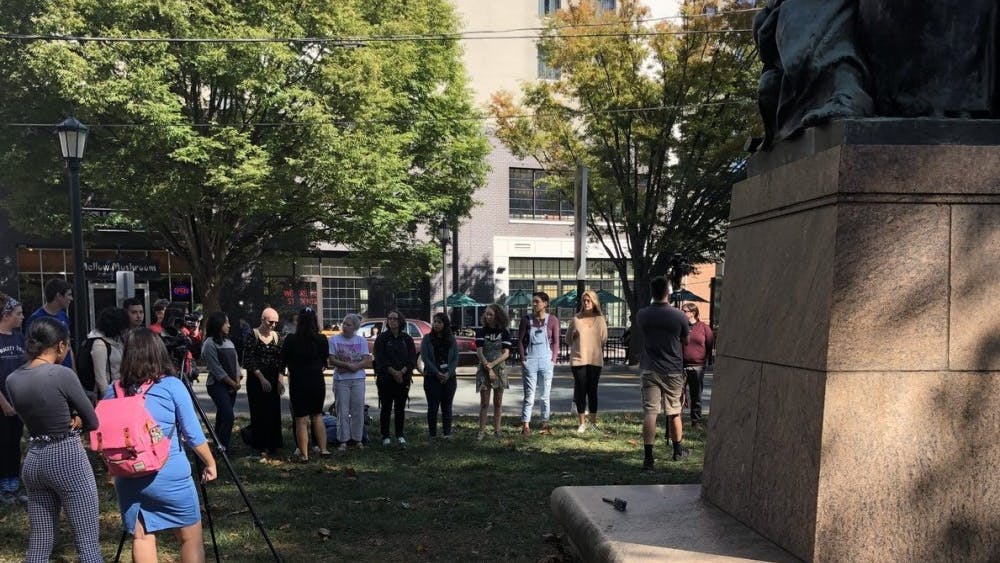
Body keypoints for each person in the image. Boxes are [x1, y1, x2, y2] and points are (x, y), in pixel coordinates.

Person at [108, 328, 217, 563]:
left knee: (142, 538)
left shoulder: (113, 390)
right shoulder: (172, 386)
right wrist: (210, 463)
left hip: (128, 476)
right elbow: (193, 434)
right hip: (170, 475)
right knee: (190, 538)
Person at [5, 317, 101, 562]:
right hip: (66, 455)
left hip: (34, 458)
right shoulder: (61, 374)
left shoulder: (13, 379)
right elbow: (92, 420)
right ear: (60, 346)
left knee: (39, 544)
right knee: (88, 545)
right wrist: (78, 419)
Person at [637, 276, 690, 471]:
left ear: (652, 292)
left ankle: (648, 458)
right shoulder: (679, 316)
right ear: (667, 292)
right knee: (674, 411)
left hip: (650, 367)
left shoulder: (643, 315)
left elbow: (644, 334)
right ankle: (677, 450)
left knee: (650, 413)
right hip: (673, 369)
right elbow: (685, 341)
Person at [281, 307, 330, 461]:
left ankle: (304, 455)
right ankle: (323, 449)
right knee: (317, 415)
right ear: (315, 321)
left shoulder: (290, 339)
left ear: (299, 322)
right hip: (316, 380)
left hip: (298, 381)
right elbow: (325, 362)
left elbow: (283, 362)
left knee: (301, 419)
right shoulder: (322, 339)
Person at [243, 308, 286, 457]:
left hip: (273, 377)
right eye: (270, 321)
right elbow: (248, 360)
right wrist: (261, 378)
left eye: (276, 322)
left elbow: (281, 360)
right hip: (256, 379)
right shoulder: (252, 335)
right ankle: (260, 445)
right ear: (262, 319)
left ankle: (274, 444)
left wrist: (280, 380)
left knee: (274, 411)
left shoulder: (277, 336)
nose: (273, 325)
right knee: (258, 411)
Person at [517, 291, 559, 436]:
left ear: (545, 303)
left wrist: (553, 359)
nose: (534, 304)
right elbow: (520, 341)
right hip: (531, 360)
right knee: (529, 395)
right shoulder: (526, 320)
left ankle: (545, 422)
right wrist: (523, 359)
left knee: (545, 395)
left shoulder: (552, 320)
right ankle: (526, 424)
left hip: (546, 361)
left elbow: (556, 341)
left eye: (537, 301)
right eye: (533, 301)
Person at [328, 313, 372, 450]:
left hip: (358, 379)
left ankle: (357, 439)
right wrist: (349, 366)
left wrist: (353, 367)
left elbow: (367, 359)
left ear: (355, 327)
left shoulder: (361, 341)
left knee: (357, 409)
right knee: (342, 410)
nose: (344, 326)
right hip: (341, 380)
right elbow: (332, 359)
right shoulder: (334, 340)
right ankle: (343, 440)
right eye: (344, 323)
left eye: (348, 324)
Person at [567, 290, 608, 434]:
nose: (586, 303)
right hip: (578, 359)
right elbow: (567, 340)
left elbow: (603, 339)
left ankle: (593, 423)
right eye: (584, 300)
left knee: (593, 391)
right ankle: (581, 423)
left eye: (589, 300)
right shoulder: (576, 319)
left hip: (595, 360)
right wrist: (573, 336)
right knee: (580, 390)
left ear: (594, 302)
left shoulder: (600, 319)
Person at [373, 311, 416, 445]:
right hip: (386, 378)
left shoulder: (407, 339)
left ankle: (400, 434)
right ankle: (385, 435)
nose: (391, 321)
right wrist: (393, 372)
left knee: (400, 408)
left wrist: (402, 372)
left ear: (400, 321)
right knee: (386, 407)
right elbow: (379, 358)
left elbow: (412, 359)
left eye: (394, 319)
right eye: (389, 318)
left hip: (403, 378)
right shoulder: (382, 338)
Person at [0, 292, 26, 505]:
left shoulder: (19, 337)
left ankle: (14, 485)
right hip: (3, 403)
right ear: (6, 315)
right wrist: (3, 402)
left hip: (17, 402)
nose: (22, 317)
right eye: (18, 313)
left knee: (15, 444)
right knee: (3, 443)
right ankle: (4, 487)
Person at [201, 311, 241, 451]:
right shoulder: (209, 344)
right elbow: (217, 370)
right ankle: (224, 446)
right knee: (229, 416)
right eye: (226, 322)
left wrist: (238, 378)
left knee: (222, 416)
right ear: (218, 324)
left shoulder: (229, 342)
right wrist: (232, 383)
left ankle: (218, 444)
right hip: (217, 386)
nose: (229, 325)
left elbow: (236, 362)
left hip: (232, 385)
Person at [475, 304, 511, 440]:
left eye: (490, 314)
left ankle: (497, 430)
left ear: (497, 315)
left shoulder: (504, 332)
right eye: (486, 314)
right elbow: (479, 352)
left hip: (499, 369)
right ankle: (481, 431)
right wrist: (487, 367)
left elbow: (506, 353)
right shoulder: (481, 332)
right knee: (484, 403)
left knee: (498, 402)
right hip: (484, 369)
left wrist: (493, 365)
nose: (487, 316)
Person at [420, 312, 459, 438]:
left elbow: (455, 358)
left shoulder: (451, 339)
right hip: (432, 377)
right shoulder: (427, 338)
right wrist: (437, 373)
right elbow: (425, 358)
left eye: (439, 322)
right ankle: (432, 433)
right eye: (435, 322)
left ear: (445, 324)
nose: (436, 324)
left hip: (449, 378)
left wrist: (449, 373)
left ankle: (447, 432)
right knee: (433, 407)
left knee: (447, 406)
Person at [24, 278, 74, 369]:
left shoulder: (64, 316)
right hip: (45, 373)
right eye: (69, 295)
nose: (71, 298)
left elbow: (68, 346)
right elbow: (31, 350)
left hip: (65, 371)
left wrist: (73, 371)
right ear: (59, 295)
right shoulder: (36, 319)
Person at [681, 303, 714, 429]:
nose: (682, 313)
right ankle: (677, 421)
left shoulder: (704, 328)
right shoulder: (681, 327)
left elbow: (710, 344)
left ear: (692, 313)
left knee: (696, 395)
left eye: (684, 311)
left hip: (697, 367)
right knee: (678, 395)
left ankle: (696, 421)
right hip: (681, 366)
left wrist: (703, 358)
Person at [87, 306, 129, 401]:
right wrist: (108, 398)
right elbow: (100, 378)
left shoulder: (117, 341)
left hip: (118, 392)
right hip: (109, 396)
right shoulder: (99, 345)